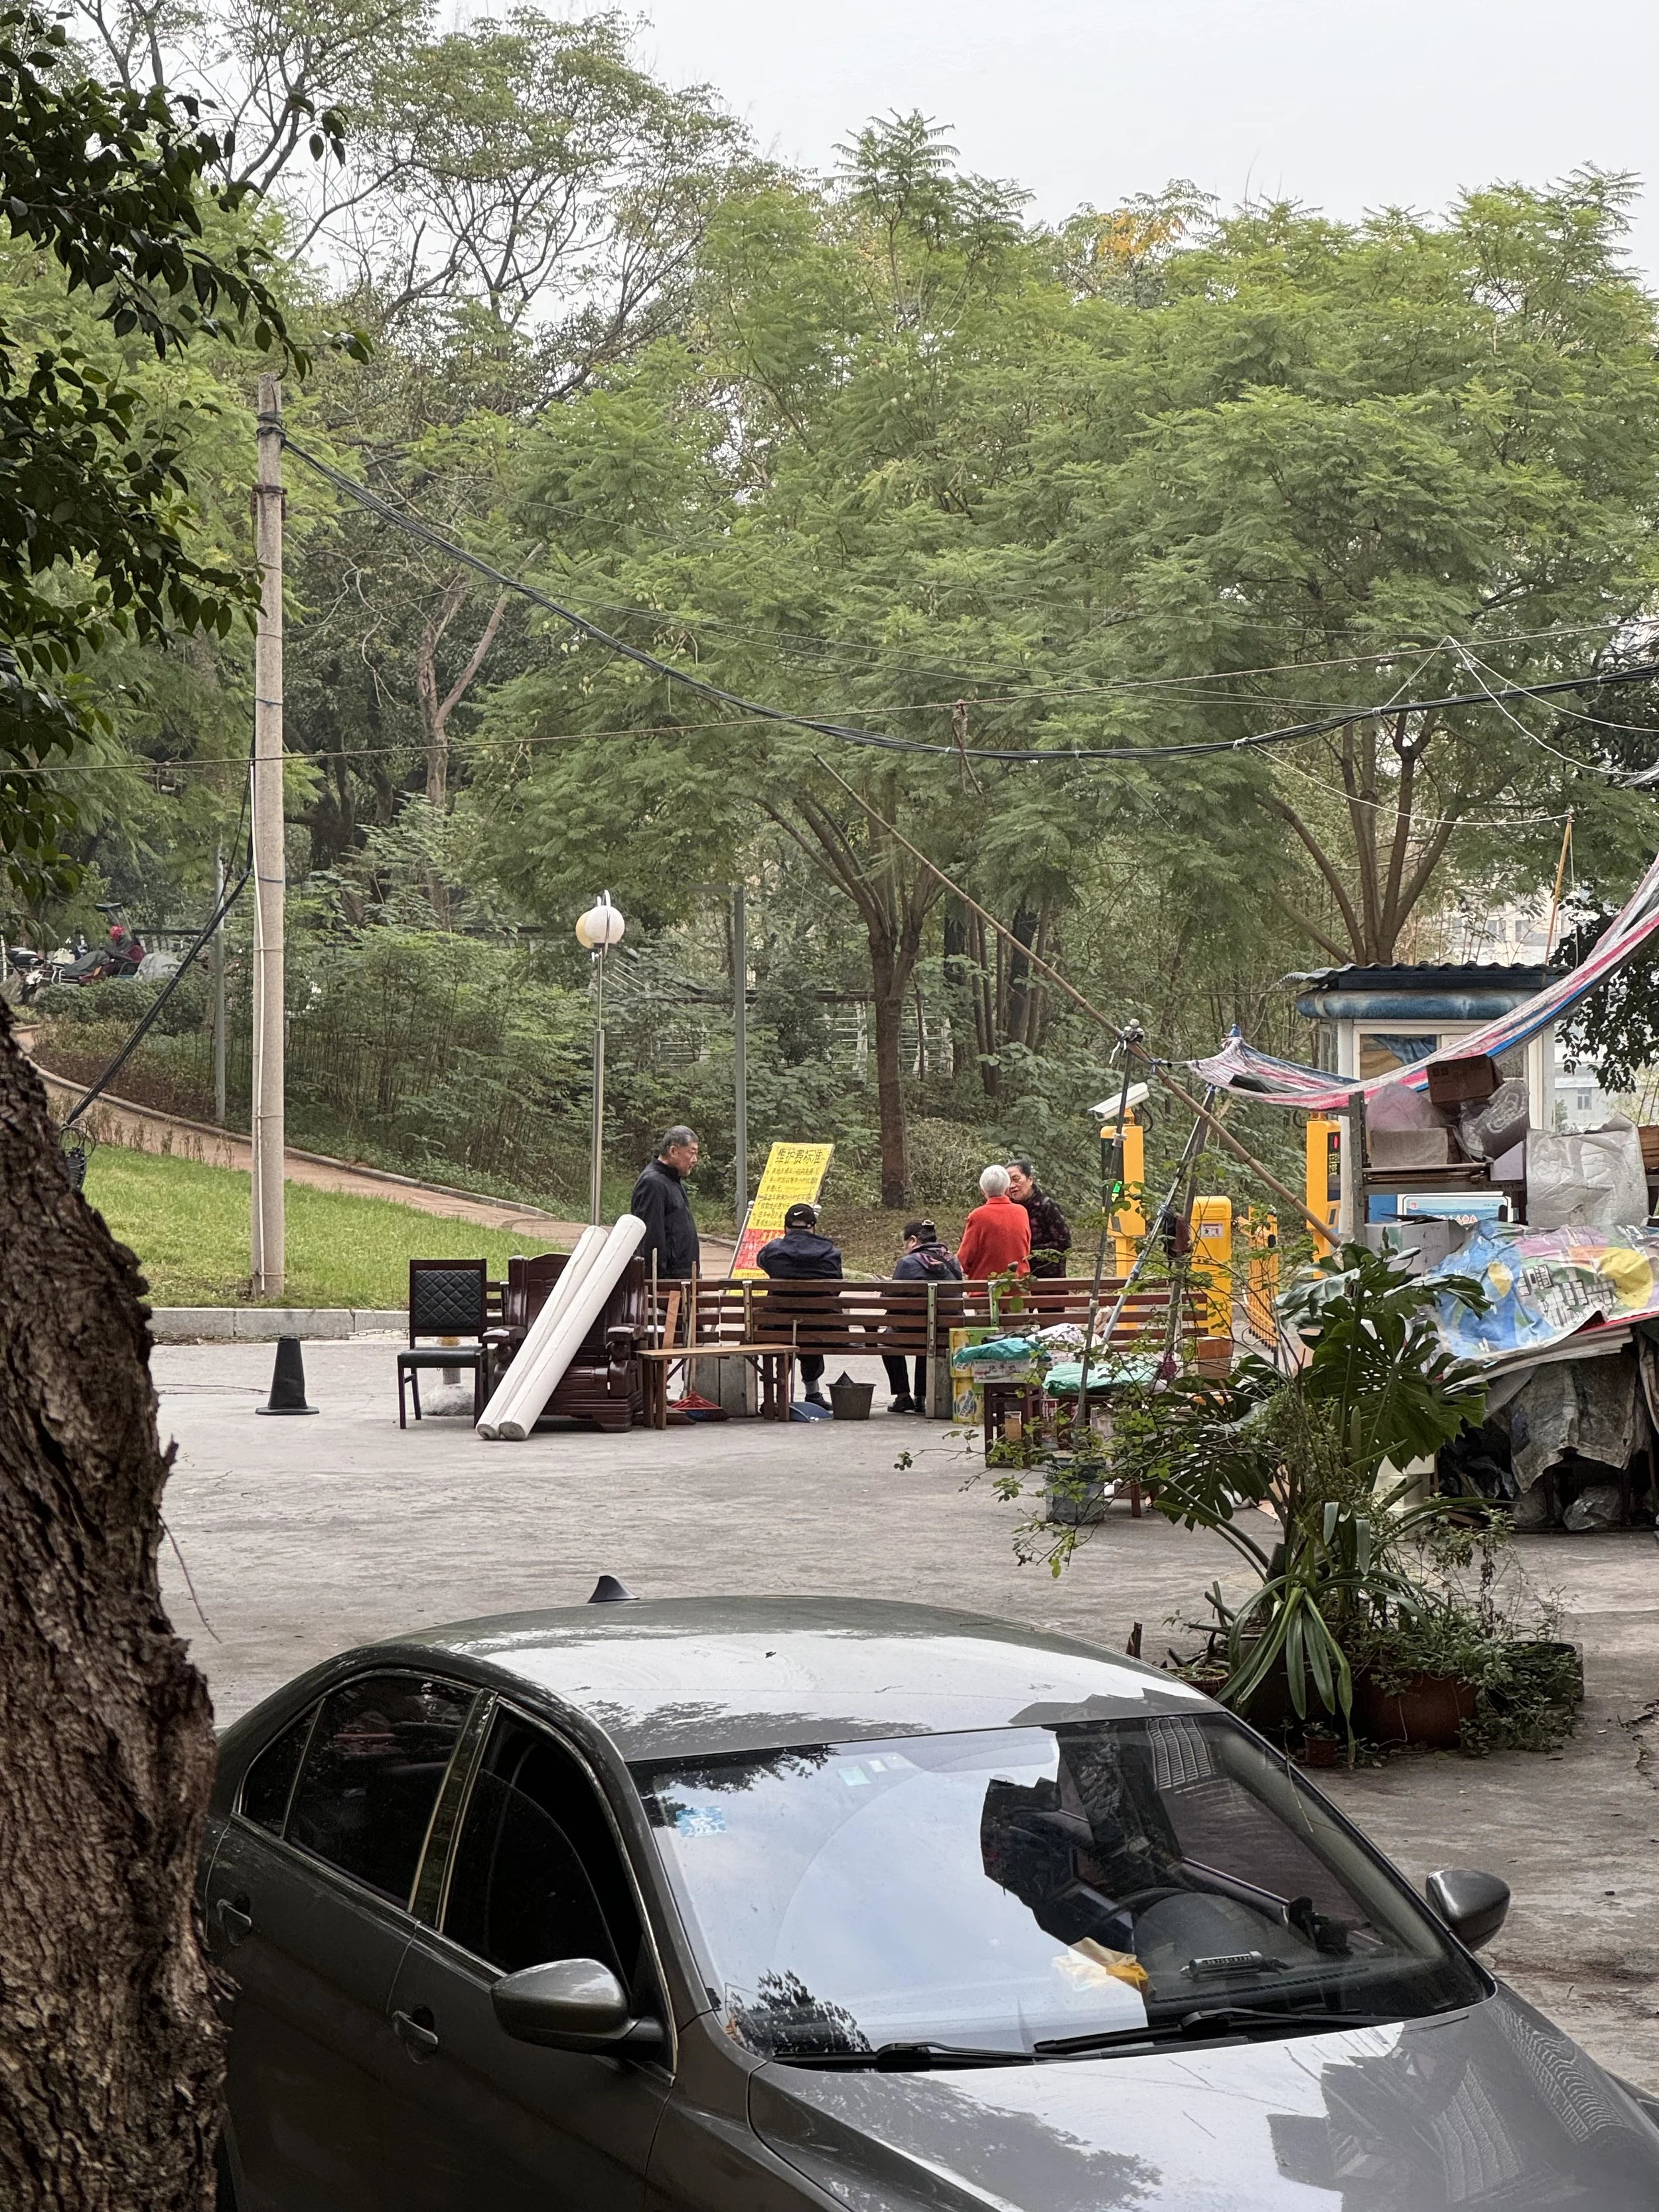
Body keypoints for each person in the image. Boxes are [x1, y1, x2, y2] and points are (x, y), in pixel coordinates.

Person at [756, 1202, 842, 1408]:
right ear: (813, 1227)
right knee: (812, 1324)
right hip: (821, 1327)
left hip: (778, 1326)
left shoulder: (773, 1250)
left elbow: (761, 1262)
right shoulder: (830, 1252)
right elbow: (836, 1286)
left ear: (786, 1227)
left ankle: (777, 1397)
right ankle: (813, 1393)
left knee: (784, 1325)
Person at [882, 1218, 962, 1413]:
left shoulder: (908, 1263)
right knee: (929, 1335)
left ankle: (902, 1396)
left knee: (886, 1339)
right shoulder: (953, 1260)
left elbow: (890, 1299)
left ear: (913, 1241)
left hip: (909, 1332)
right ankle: (921, 1397)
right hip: (946, 1331)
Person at [630, 1125, 701, 1278]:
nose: (695, 1160)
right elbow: (651, 1237)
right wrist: (656, 1281)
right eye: (692, 1153)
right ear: (673, 1151)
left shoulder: (672, 1180)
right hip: (667, 1281)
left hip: (682, 1277)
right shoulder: (653, 1183)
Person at [956, 1165, 1031, 1281]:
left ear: (982, 1192)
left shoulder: (977, 1216)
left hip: (984, 1292)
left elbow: (964, 1260)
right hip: (1018, 1288)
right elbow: (1025, 1250)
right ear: (1007, 1190)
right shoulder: (1022, 1212)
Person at [1005, 1158, 1072, 1280]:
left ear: (1030, 1180)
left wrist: (1030, 1253)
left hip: (1047, 1281)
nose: (1012, 1186)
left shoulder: (1046, 1206)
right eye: (1008, 1182)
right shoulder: (1007, 1209)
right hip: (1018, 1280)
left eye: (1016, 1179)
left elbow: (1064, 1243)